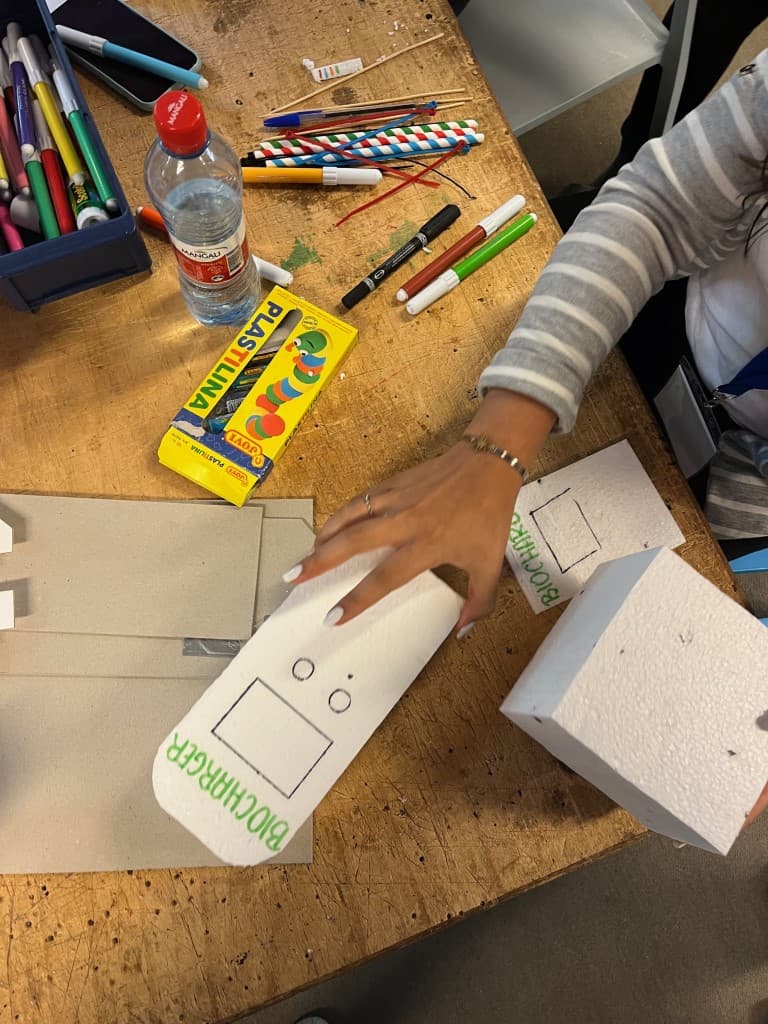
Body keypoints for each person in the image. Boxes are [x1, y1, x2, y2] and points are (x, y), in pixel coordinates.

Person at [285, 53, 768, 823]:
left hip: (747, 498)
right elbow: (658, 209)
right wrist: (502, 435)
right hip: (656, 340)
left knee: (630, 723)